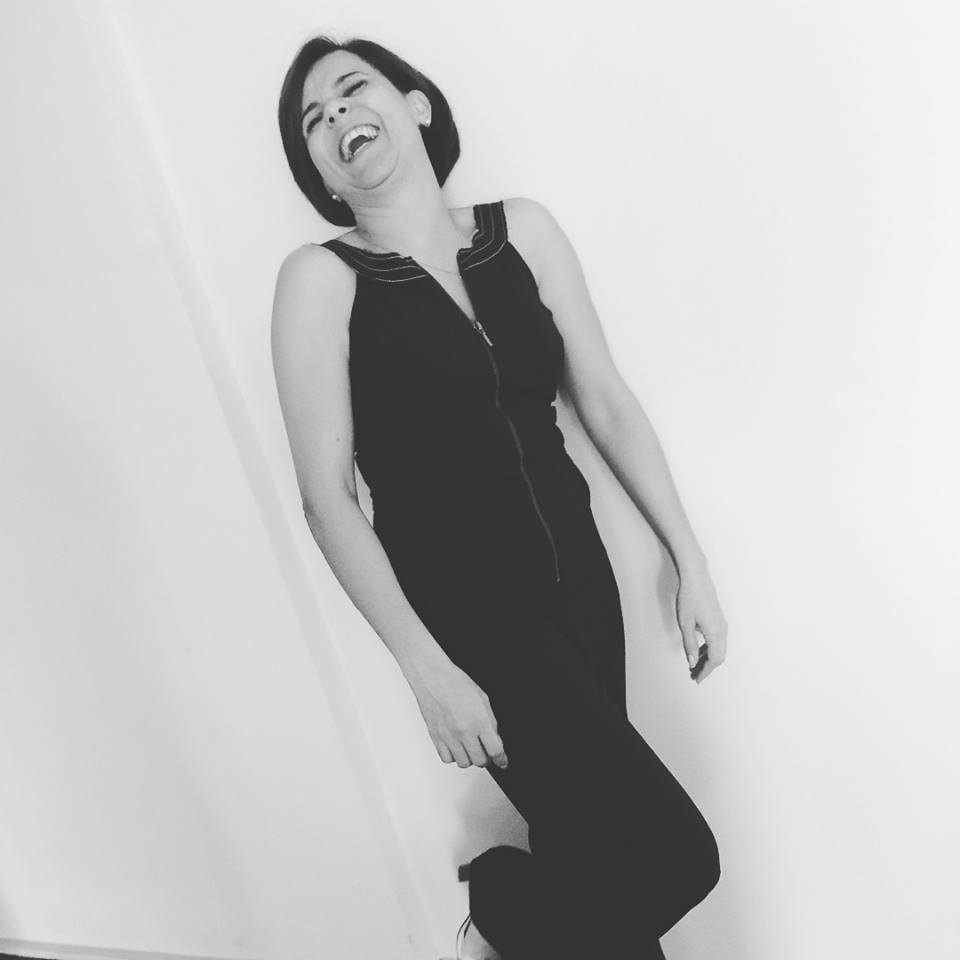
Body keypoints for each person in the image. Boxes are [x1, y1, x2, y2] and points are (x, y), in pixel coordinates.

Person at [272, 34, 727, 960]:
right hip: (468, 615)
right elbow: (327, 499)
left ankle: (514, 920)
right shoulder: (320, 280)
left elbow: (605, 400)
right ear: (318, 171)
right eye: (313, 121)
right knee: (676, 857)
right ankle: (498, 907)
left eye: (352, 89)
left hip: (580, 584)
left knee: (598, 855)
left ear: (416, 105)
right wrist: (426, 671)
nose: (337, 116)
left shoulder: (523, 231)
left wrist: (690, 560)